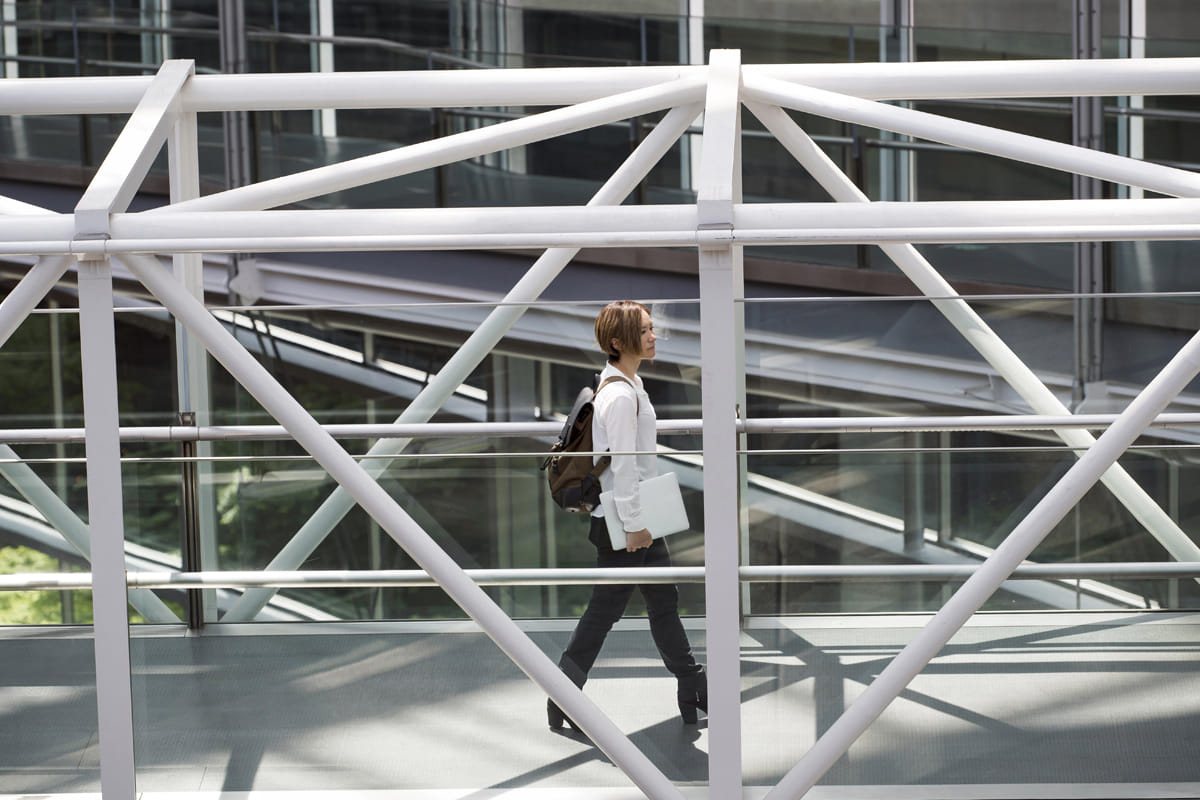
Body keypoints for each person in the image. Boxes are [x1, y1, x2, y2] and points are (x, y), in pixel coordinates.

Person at [548, 300, 707, 732]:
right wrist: (636, 525)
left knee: (663, 602)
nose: (654, 336)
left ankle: (692, 683)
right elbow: (622, 464)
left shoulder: (629, 385)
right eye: (646, 330)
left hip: (636, 517)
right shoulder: (619, 395)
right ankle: (561, 695)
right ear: (619, 342)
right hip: (624, 522)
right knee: (606, 610)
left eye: (654, 328)